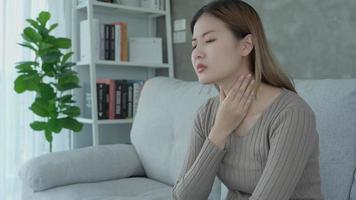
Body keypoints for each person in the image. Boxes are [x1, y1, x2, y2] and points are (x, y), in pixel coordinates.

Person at [172, 0, 324, 199]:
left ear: (246, 45)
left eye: (209, 41)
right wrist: (220, 130)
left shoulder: (292, 113)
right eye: (194, 45)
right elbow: (183, 197)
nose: (197, 54)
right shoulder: (206, 114)